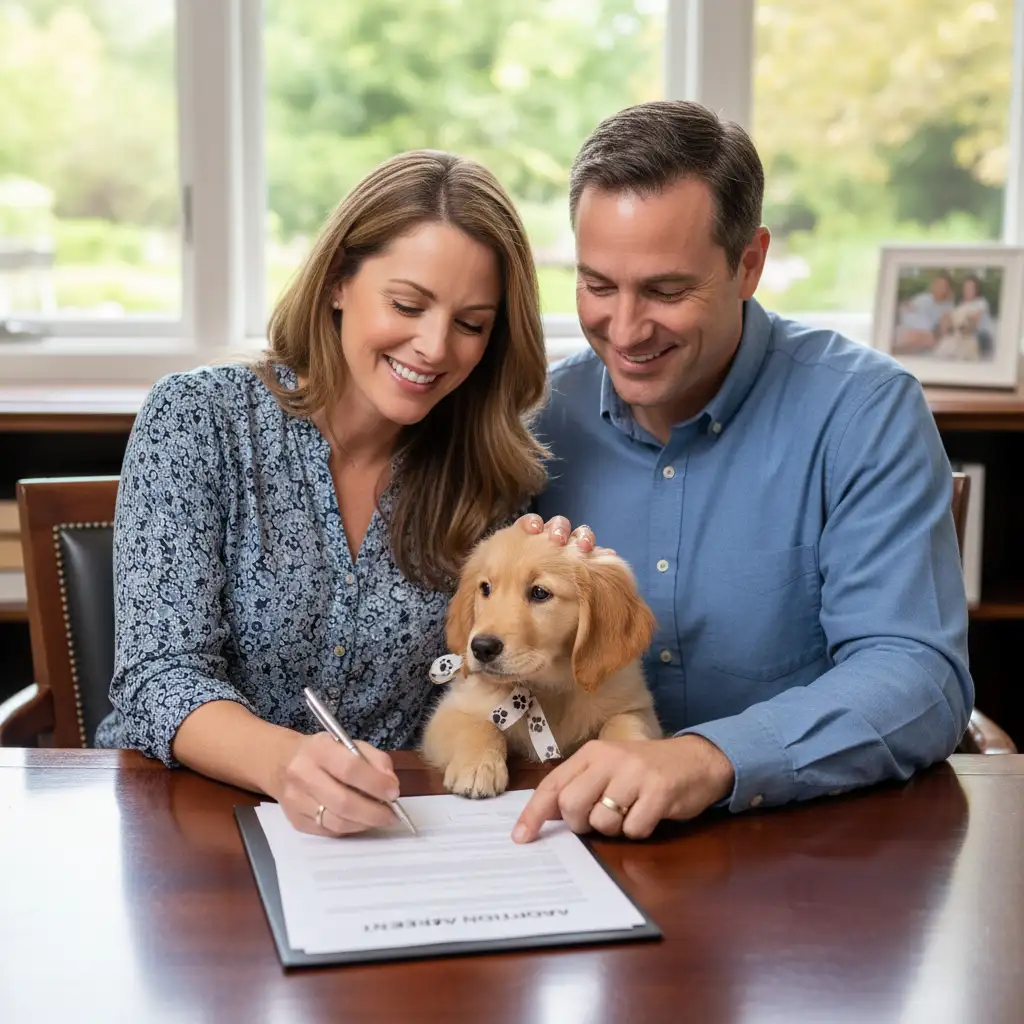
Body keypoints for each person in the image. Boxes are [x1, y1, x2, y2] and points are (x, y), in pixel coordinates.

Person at [510, 100, 972, 844]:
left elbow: (918, 675)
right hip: (574, 840)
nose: (625, 331)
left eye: (665, 291)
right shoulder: (534, 420)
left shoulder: (863, 412)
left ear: (749, 264)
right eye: (598, 285)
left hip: (807, 852)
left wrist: (708, 758)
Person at [94, 149, 551, 837]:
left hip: (395, 835)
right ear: (338, 280)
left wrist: (558, 597)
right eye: (408, 304)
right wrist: (287, 765)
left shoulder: (491, 478)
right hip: (187, 828)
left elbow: (494, 687)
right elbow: (158, 674)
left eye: (471, 323)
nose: (433, 346)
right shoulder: (199, 419)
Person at [894, 272, 955, 354]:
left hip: (927, 334)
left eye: (943, 286)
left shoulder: (947, 306)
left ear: (947, 289)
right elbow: (906, 308)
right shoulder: (923, 298)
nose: (939, 288)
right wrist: (907, 306)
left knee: (927, 339)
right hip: (909, 329)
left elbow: (945, 328)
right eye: (937, 284)